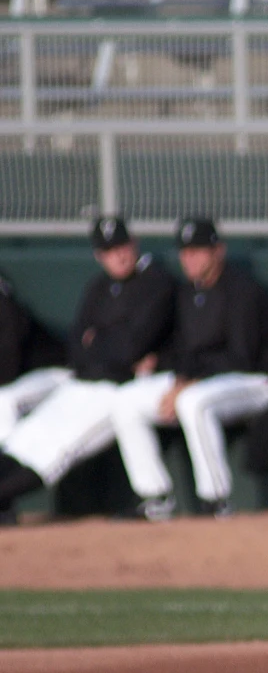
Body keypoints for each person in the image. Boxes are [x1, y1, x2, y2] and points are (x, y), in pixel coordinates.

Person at [0, 216, 175, 524]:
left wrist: (100, 342)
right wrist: (109, 344)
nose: (118, 255)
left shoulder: (156, 283)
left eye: (121, 246)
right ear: (99, 256)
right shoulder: (97, 287)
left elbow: (132, 345)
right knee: (25, 437)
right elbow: (78, 347)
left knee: (54, 451)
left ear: (133, 244)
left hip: (118, 388)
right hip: (81, 383)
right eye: (109, 250)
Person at [111, 216, 268, 520]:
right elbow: (182, 352)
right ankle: (156, 497)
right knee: (125, 401)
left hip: (255, 383)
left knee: (194, 403)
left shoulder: (243, 292)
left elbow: (241, 358)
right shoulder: (188, 293)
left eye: (198, 250)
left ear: (218, 251)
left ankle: (215, 501)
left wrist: (188, 384)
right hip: (206, 381)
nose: (189, 258)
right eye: (184, 251)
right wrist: (178, 379)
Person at [0, 266, 69, 437]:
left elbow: (9, 367)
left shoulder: (7, 309)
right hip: (22, 377)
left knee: (5, 403)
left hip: (54, 371)